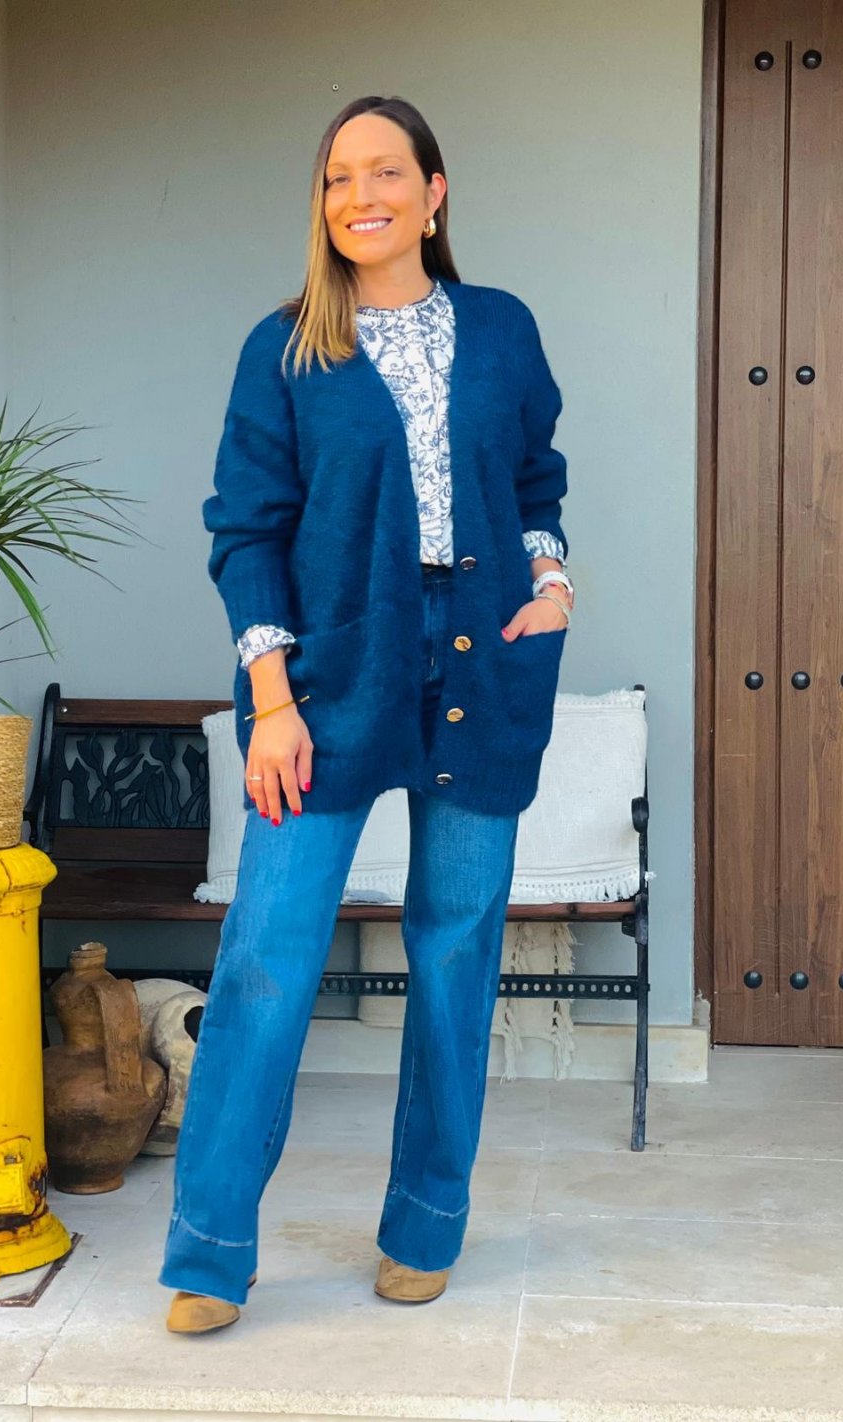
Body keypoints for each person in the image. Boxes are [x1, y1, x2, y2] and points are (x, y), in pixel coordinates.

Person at [160, 94, 575, 1334]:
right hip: (334, 669)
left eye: (383, 172)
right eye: (337, 178)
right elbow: (246, 532)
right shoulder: (285, 347)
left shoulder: (499, 330)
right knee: (266, 959)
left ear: (432, 193)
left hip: (482, 660)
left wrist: (551, 581)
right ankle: (207, 1253)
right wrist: (270, 701)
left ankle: (424, 1224)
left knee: (453, 952)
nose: (359, 197)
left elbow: (535, 476)